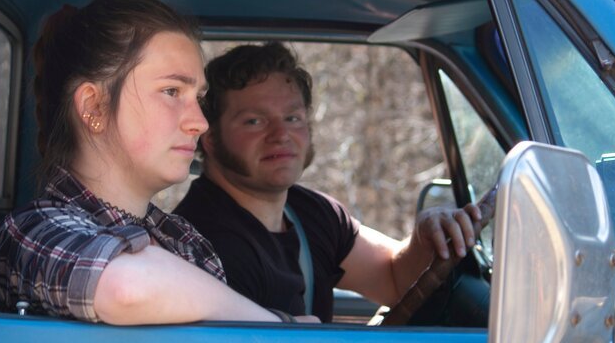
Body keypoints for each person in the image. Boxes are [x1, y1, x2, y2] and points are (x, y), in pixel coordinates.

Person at [0, 0, 312, 325]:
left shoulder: (184, 238)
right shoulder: (33, 230)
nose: (200, 121)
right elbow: (126, 288)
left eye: (197, 98)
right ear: (93, 106)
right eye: (172, 92)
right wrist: (283, 327)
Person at [173, 42, 483, 323]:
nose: (281, 135)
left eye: (292, 118)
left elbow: (392, 279)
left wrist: (426, 234)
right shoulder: (201, 244)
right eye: (255, 121)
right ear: (210, 139)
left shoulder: (311, 211)